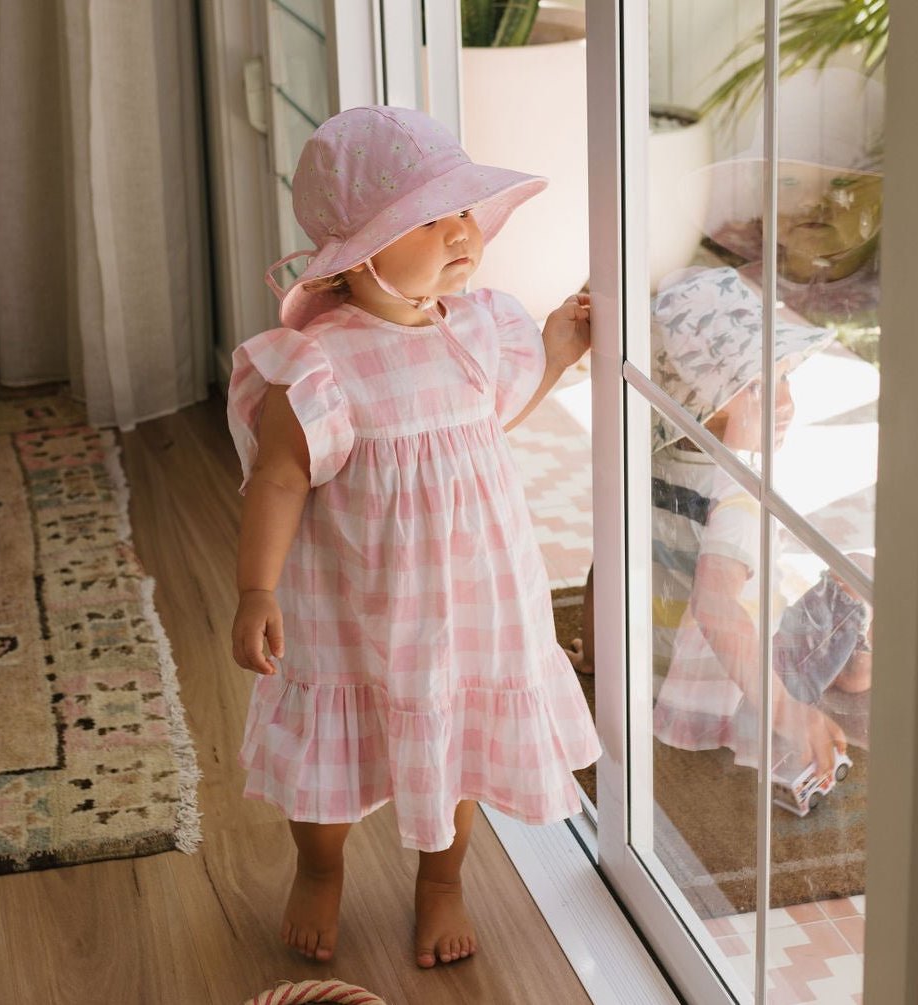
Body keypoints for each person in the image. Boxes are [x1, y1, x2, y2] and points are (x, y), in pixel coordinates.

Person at [227, 106, 600, 968]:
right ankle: (318, 868)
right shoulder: (320, 363)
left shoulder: (475, 327)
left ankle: (442, 879)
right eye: (429, 222)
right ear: (359, 254)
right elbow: (280, 476)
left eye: (462, 214)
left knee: (454, 740)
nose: (461, 234)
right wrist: (256, 589)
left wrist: (552, 351)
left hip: (469, 593)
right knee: (330, 755)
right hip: (358, 599)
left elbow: (489, 417)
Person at [569, 267, 872, 779]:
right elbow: (715, 607)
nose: (783, 402)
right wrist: (788, 712)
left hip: (647, 679)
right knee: (859, 571)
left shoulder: (640, 470)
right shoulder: (739, 502)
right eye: (755, 387)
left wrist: (600, 657)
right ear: (695, 404)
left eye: (781, 377)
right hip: (736, 699)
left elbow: (607, 564)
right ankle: (857, 669)